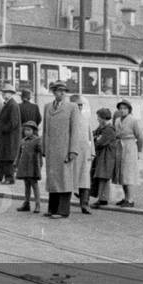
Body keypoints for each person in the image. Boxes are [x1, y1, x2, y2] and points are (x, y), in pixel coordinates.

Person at [41, 81, 82, 219]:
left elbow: (75, 131)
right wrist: (44, 147)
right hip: (52, 151)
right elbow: (45, 129)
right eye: (59, 90)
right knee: (53, 179)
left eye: (64, 91)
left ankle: (63, 211)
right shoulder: (47, 107)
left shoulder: (72, 107)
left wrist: (73, 151)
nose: (62, 93)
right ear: (53, 92)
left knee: (64, 180)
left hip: (65, 149)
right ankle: (52, 209)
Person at [112, 100, 143, 207]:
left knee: (129, 173)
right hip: (119, 147)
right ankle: (125, 197)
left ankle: (130, 199)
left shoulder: (134, 120)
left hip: (130, 147)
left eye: (125, 108)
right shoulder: (117, 121)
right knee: (121, 174)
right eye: (120, 108)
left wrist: (139, 151)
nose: (122, 110)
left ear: (129, 110)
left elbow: (140, 137)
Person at [69, 94, 95, 213]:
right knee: (70, 178)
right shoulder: (68, 118)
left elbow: (90, 136)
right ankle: (65, 204)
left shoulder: (86, 118)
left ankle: (84, 204)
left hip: (85, 153)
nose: (79, 107)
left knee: (84, 179)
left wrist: (92, 152)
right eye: (77, 105)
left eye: (81, 105)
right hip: (73, 152)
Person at [91, 107, 120, 207]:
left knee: (103, 177)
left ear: (103, 118)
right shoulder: (102, 128)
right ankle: (101, 197)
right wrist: (95, 138)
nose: (97, 119)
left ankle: (103, 199)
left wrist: (95, 139)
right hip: (102, 156)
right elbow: (93, 135)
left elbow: (99, 143)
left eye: (98, 117)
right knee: (100, 176)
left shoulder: (109, 130)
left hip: (107, 157)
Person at [0, 84, 21, 184]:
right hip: (7, 136)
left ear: (11, 94)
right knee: (3, 156)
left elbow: (14, 122)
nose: (4, 94)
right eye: (4, 92)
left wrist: (3, 128)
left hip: (10, 137)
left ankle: (9, 178)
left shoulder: (12, 105)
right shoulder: (9, 104)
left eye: (6, 92)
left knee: (8, 157)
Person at [14, 121, 43, 214]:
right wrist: (16, 163)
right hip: (24, 166)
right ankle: (26, 203)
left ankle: (38, 204)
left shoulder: (37, 140)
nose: (26, 132)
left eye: (29, 130)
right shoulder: (22, 141)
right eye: (25, 130)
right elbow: (19, 154)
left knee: (34, 185)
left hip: (33, 167)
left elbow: (41, 152)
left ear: (34, 131)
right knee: (26, 186)